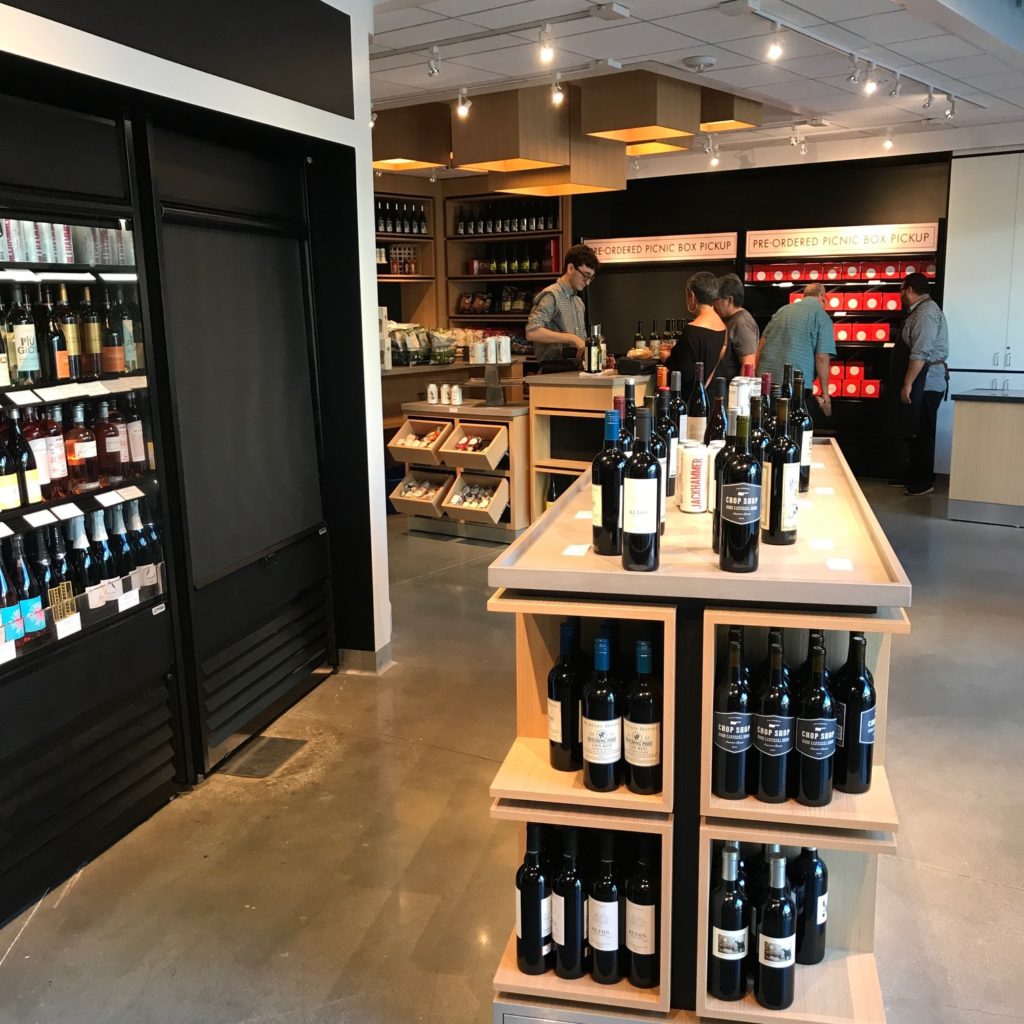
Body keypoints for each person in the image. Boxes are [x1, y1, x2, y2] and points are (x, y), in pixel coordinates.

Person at [895, 272, 949, 496]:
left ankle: (924, 480)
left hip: (926, 382)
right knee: (912, 429)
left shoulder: (925, 313)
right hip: (921, 380)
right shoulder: (918, 310)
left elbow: (921, 353)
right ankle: (914, 473)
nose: (900, 294)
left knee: (922, 431)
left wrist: (908, 383)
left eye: (901, 289)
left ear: (908, 290)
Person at [756, 282, 834, 416]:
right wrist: (825, 394)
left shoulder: (782, 310)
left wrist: (755, 377)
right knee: (793, 423)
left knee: (767, 421)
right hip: (795, 385)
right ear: (822, 296)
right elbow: (821, 357)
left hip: (766, 381)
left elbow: (762, 344)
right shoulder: (822, 317)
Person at [526, 243, 598, 363]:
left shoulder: (579, 302)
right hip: (553, 370)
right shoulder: (552, 295)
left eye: (591, 278)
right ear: (571, 268)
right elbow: (532, 332)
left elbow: (580, 346)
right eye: (586, 276)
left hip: (575, 369)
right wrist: (572, 338)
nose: (588, 282)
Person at [665, 271, 730, 394]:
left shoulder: (692, 331)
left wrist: (666, 359)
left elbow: (683, 374)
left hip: (695, 402)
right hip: (717, 398)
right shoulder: (724, 328)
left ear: (692, 295)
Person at [713, 272, 758, 376]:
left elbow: (749, 364)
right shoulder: (731, 319)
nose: (713, 304)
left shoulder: (742, 322)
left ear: (730, 300)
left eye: (716, 299)